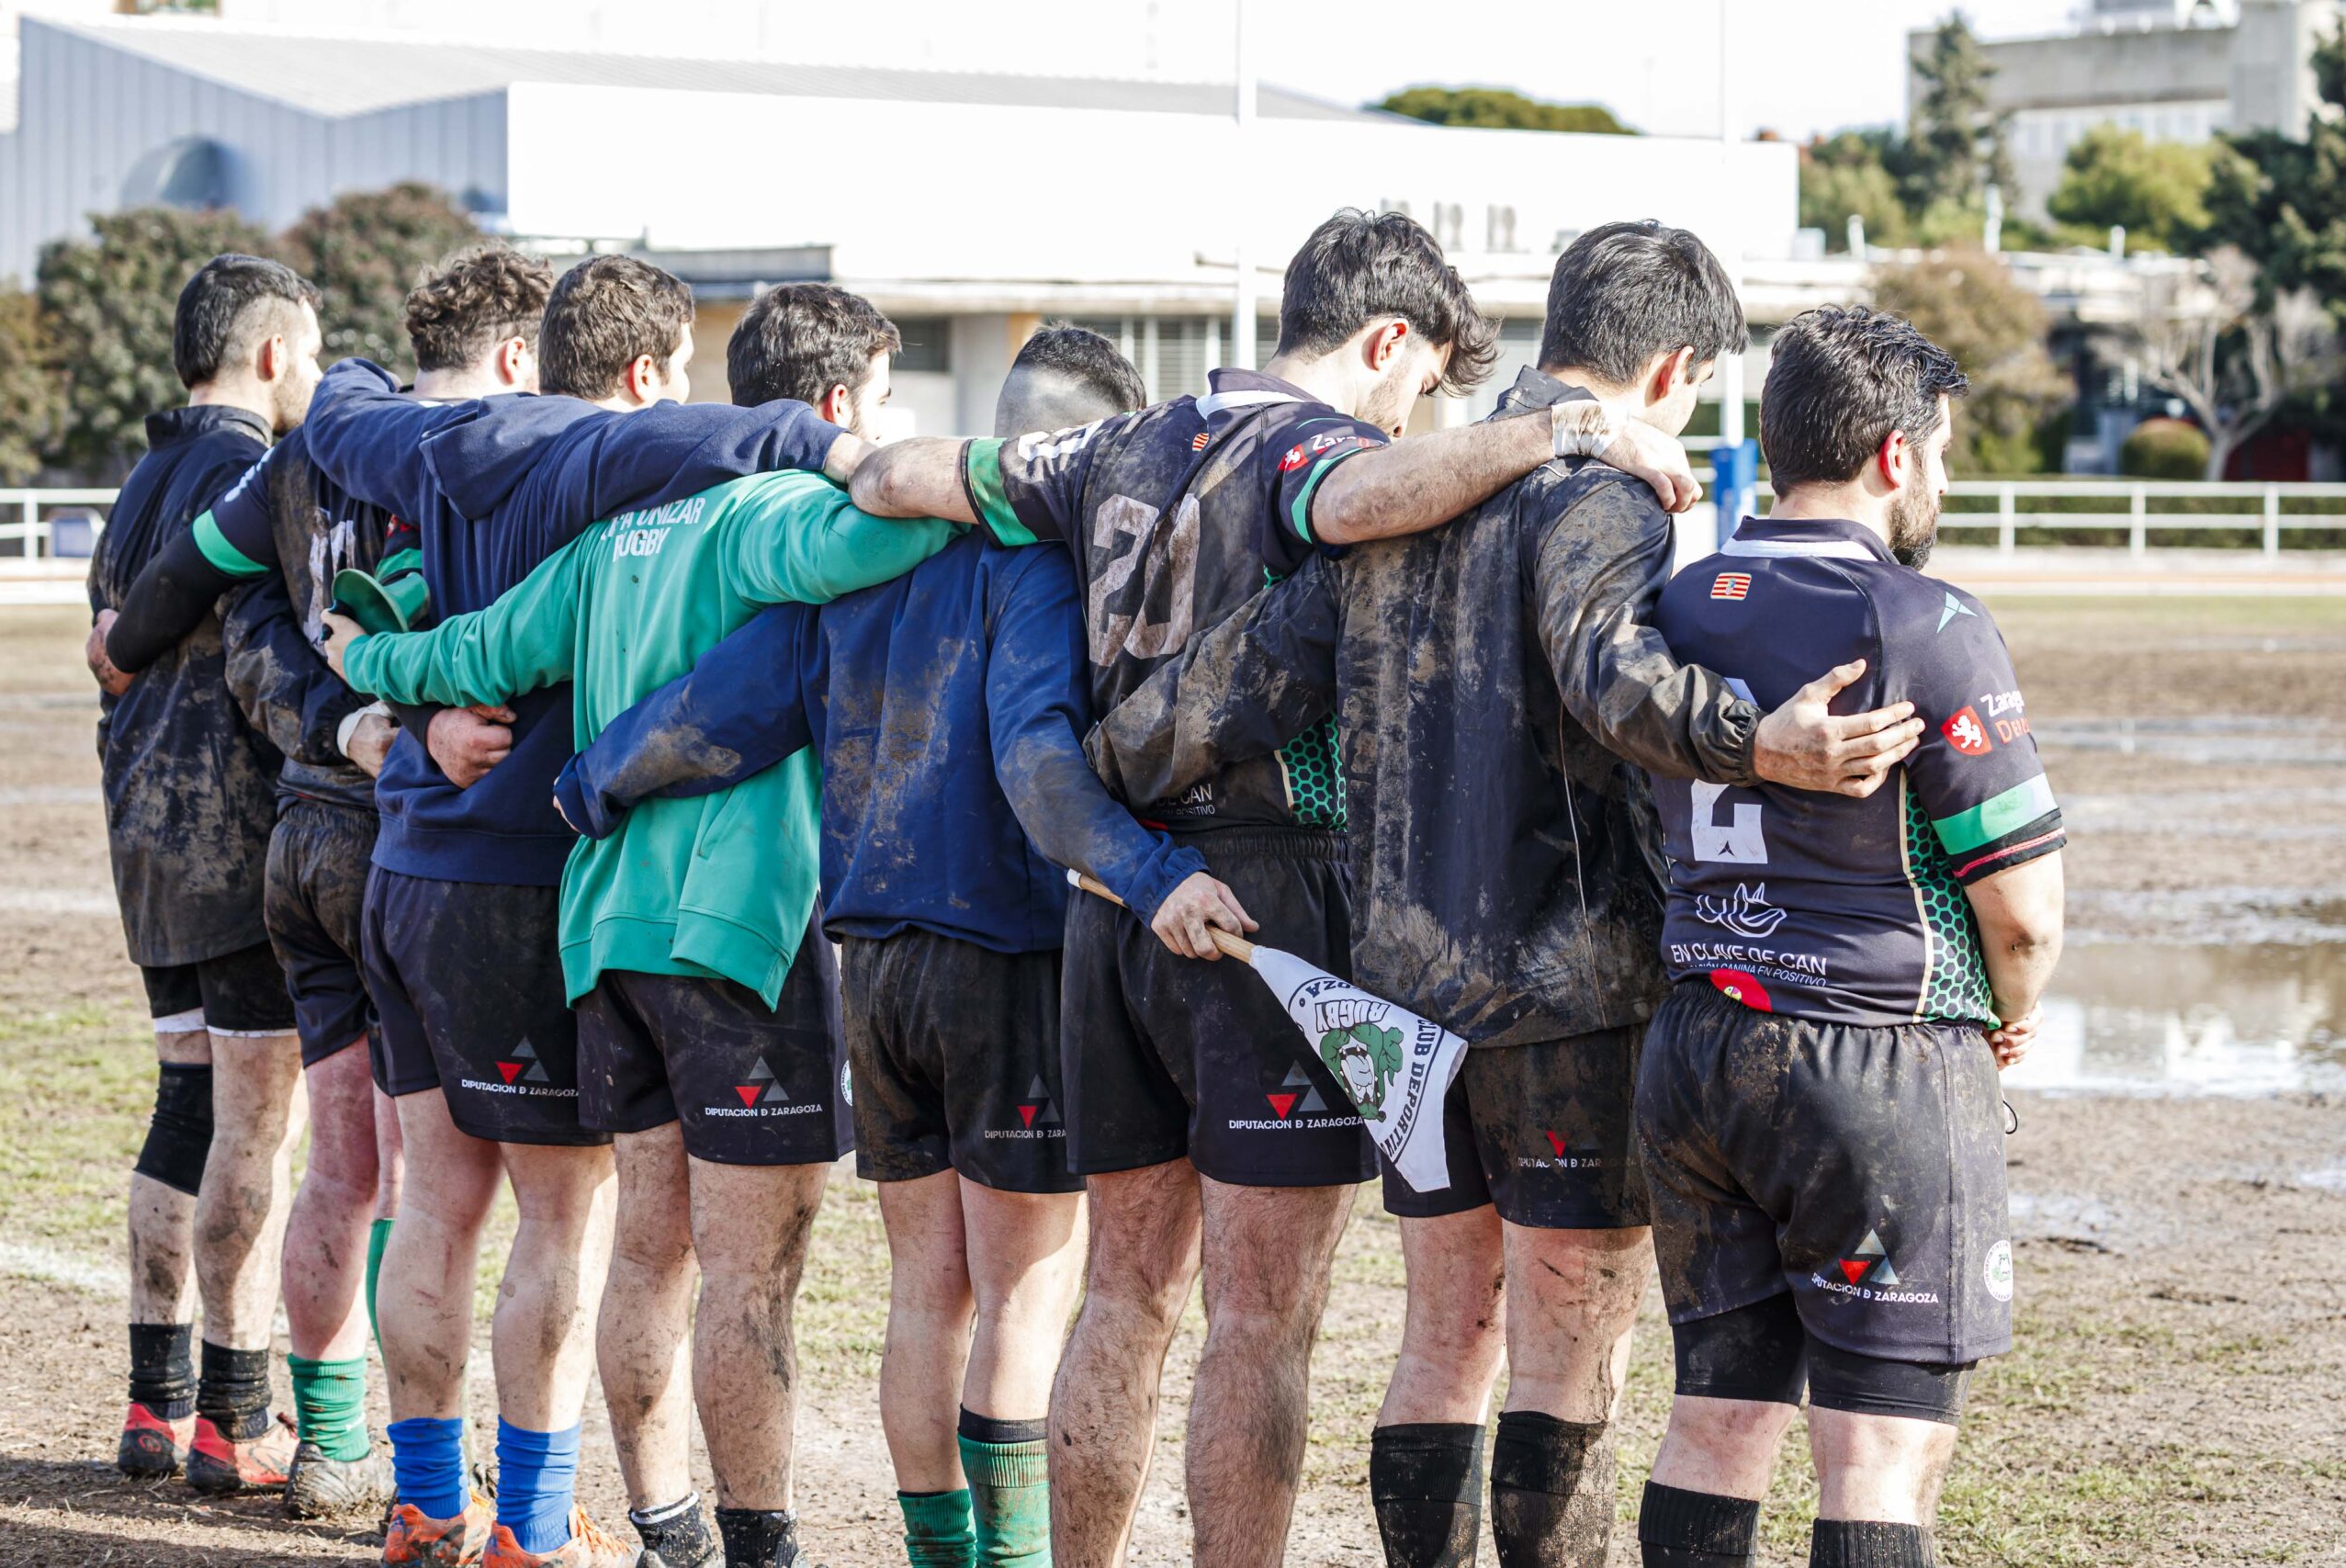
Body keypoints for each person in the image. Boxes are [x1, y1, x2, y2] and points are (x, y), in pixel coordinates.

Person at [844, 208, 1697, 1568]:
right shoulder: (1319, 447)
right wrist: (1564, 432)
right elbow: (1355, 500)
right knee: (1258, 1318)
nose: (1420, 420)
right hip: (1263, 904)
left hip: (1111, 902)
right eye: (1420, 387)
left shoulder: (1109, 444)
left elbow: (897, 477)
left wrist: (816, 447)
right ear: (1386, 341)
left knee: (1122, 1294)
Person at [1084, 223, 1928, 1568]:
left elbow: (1239, 681)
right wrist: (1753, 739)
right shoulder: (1603, 490)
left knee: (1441, 1336)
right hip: (1565, 989)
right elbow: (1611, 678)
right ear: (1672, 366)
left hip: (1399, 985)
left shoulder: (1410, 480)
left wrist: (1104, 780)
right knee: (1566, 1354)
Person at [551, 319, 1244, 1568]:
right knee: (1026, 1290)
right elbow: (1035, 759)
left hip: (870, 958)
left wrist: (593, 782)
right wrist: (1147, 873)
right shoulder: (1030, 552)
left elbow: (724, 706)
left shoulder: (862, 554)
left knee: (930, 1288)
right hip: (1003, 954)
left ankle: (940, 1557)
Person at [316, 324, 969, 1568]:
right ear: (837, 401)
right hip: (733, 943)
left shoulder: (609, 543)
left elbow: (472, 653)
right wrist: (983, 478)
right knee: (748, 1282)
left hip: (601, 938)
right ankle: (757, 1546)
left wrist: (369, 662)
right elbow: (905, 524)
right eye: (878, 403)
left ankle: (662, 1525)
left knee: (645, 1253)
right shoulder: (769, 510)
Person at [92, 245, 558, 1517]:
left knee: (330, 1161)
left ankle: (317, 1441)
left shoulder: (291, 461)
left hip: (286, 831)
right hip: (399, 839)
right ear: (518, 357)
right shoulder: (474, 450)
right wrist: (392, 735)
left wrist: (129, 645)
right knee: (432, 1182)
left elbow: (227, 613)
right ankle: (418, 1469)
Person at [1629, 307, 2065, 1568]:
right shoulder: (1922, 617)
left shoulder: (1678, 602)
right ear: (1892, 454)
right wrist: (2011, 1008)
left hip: (1700, 1042)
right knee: (1878, 1454)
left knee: (1715, 1418)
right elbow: (2022, 909)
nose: (1942, 475)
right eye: (1939, 450)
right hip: (1871, 1058)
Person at [85, 254, 320, 1493]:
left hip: (147, 855)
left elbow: (116, 656)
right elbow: (258, 664)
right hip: (235, 849)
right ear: (273, 353)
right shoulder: (250, 475)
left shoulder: (132, 485)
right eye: (315, 356)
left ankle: (152, 1403)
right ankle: (239, 1410)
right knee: (255, 1129)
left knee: (185, 1106)